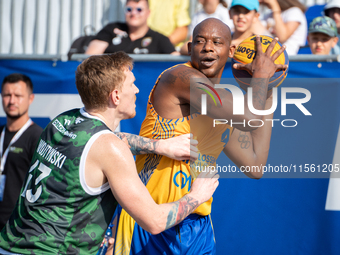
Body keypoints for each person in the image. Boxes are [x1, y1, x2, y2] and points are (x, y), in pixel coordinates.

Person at [0, 52, 220, 254]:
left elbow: (110, 141)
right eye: (132, 85)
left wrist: (160, 146)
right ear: (115, 96)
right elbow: (154, 221)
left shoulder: (62, 121)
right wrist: (197, 196)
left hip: (11, 243)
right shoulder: (110, 149)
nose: (137, 90)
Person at [113, 18, 287, 254]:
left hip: (196, 225)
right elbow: (251, 119)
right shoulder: (179, 77)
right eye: (200, 41)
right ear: (189, 48)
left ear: (231, 51)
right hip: (150, 218)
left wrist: (269, 87)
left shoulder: (225, 104)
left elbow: (255, 165)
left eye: (217, 42)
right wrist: (262, 78)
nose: (208, 47)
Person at [0, 73, 43, 231]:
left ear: (30, 98)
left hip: (19, 230)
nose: (12, 101)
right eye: (7, 95)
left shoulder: (38, 137)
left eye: (18, 95)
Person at [85, 0, 177, 55]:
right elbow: (90, 57)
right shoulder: (111, 29)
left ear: (148, 13)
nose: (133, 13)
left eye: (139, 10)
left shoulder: (159, 39)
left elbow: (177, 63)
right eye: (129, 9)